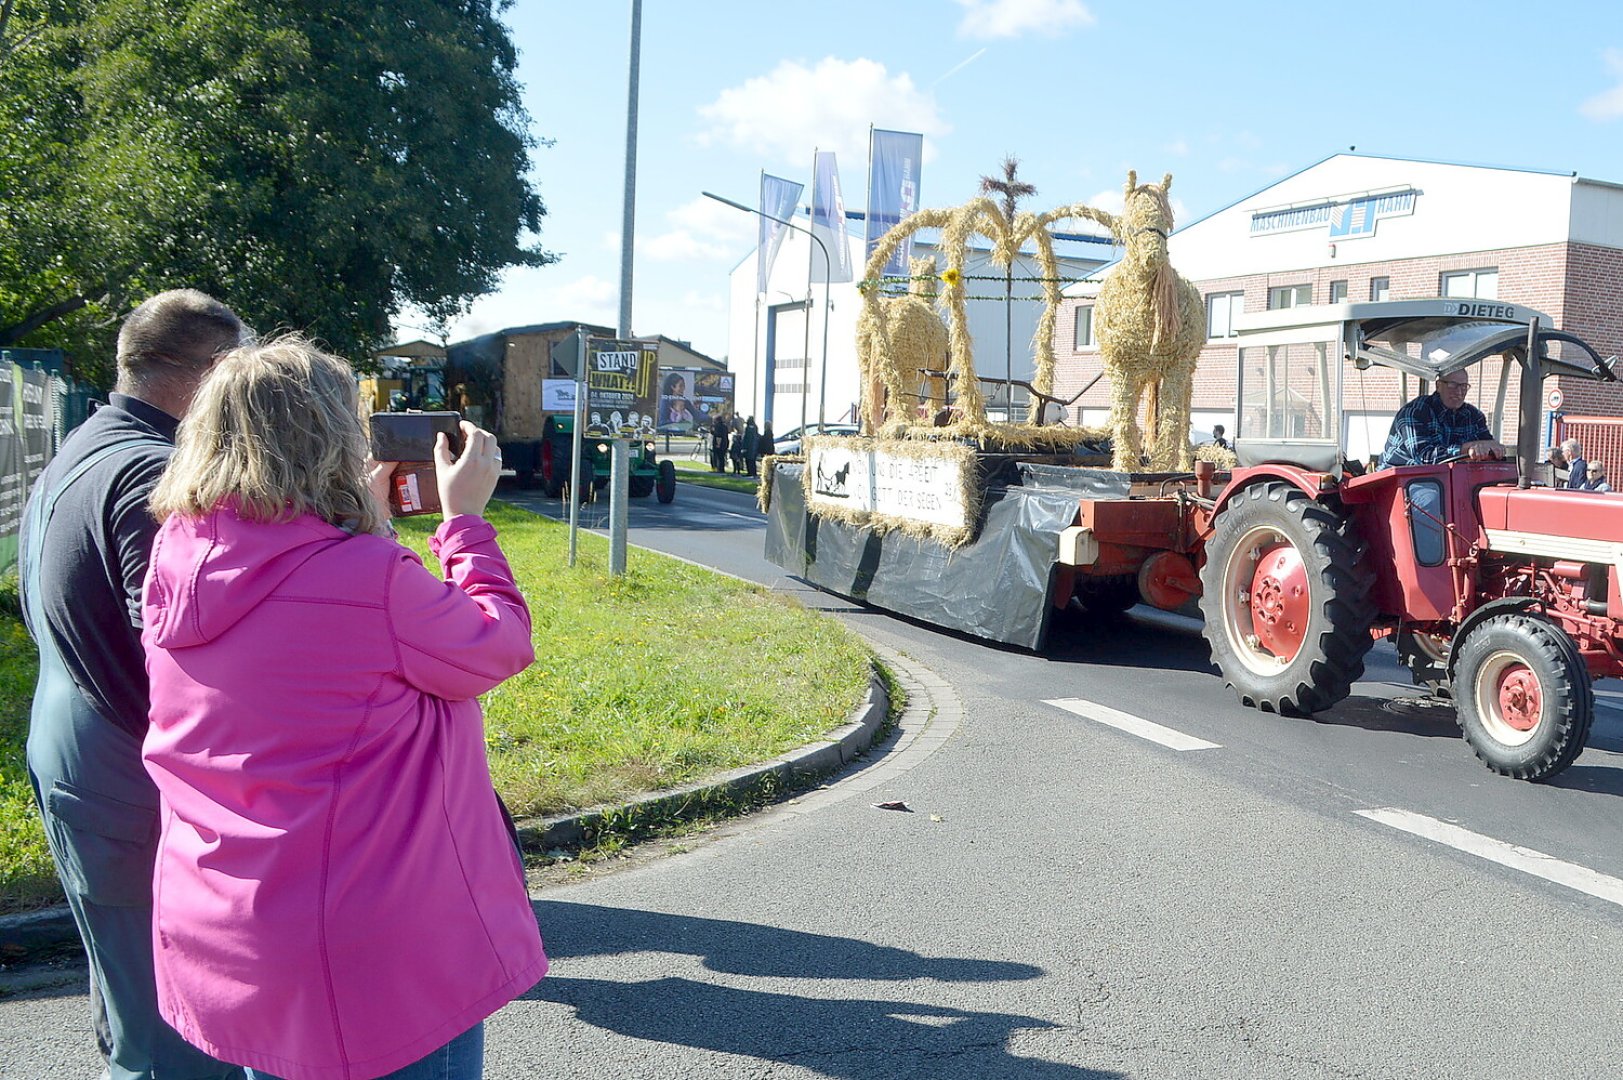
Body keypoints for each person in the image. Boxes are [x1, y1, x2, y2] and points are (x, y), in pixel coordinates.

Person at [140, 336, 546, 1079]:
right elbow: (499, 645)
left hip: (237, 931)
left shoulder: (178, 556)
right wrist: (462, 524)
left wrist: (365, 524)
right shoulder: (370, 580)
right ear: (332, 439)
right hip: (374, 956)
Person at [19, 289, 248, 1080]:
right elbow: (182, 656)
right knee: (176, 1031)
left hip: (75, 744)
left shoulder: (86, 444)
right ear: (211, 373)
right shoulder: (156, 474)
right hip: (126, 769)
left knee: (129, 1000)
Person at [1378, 370, 1503, 468]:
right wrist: (1466, 449)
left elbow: (1488, 445)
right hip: (1401, 478)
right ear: (1438, 386)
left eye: (1464, 386)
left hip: (1447, 478)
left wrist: (1493, 449)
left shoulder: (1474, 416)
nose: (1459, 392)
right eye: (1452, 385)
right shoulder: (1415, 412)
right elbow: (1424, 458)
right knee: (1433, 498)